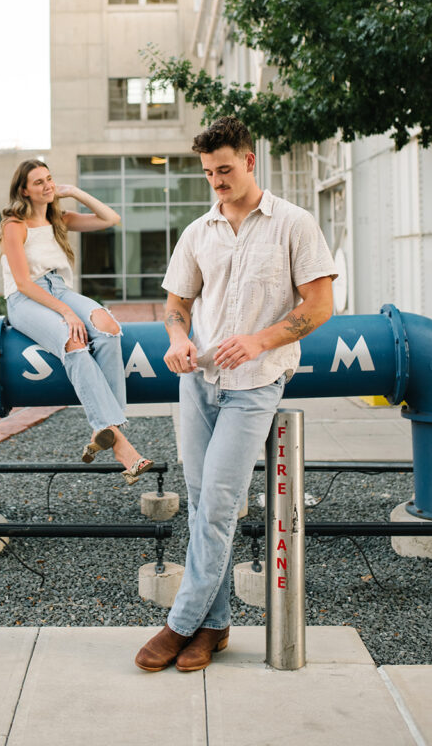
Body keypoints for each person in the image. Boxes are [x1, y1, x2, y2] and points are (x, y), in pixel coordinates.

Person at [135, 117, 336, 673]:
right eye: (208, 173)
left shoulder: (294, 223)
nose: (217, 181)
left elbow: (319, 306)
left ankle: (180, 624)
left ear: (250, 161)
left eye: (225, 169)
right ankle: (214, 627)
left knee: (219, 505)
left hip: (256, 383)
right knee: (203, 505)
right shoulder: (198, 231)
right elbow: (177, 303)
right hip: (198, 382)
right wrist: (177, 338)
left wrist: (259, 341)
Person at [0, 158, 153, 484]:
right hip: (26, 299)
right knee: (74, 343)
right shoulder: (15, 225)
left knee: (109, 328)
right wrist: (66, 313)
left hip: (59, 288)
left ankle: (105, 427)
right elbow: (23, 283)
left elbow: (111, 218)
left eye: (50, 179)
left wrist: (75, 191)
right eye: (38, 182)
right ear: (24, 190)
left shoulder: (60, 219)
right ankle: (122, 446)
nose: (47, 185)